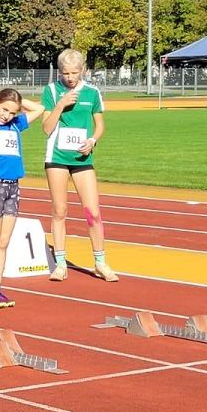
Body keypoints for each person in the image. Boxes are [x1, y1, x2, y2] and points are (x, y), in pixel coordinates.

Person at [42, 48, 117, 282]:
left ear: (82, 70)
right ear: (60, 72)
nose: (70, 77)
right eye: (66, 73)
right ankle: (60, 263)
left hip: (83, 159)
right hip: (57, 158)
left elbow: (100, 125)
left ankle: (100, 262)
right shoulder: (51, 91)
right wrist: (61, 104)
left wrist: (92, 140)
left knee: (92, 212)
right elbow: (46, 128)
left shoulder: (92, 93)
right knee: (59, 210)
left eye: (74, 72)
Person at [0, 88, 44, 308]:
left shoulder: (16, 125)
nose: (7, 116)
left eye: (13, 112)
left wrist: (18, 103)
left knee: (3, 242)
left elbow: (40, 109)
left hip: (13, 186)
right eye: (4, 110)